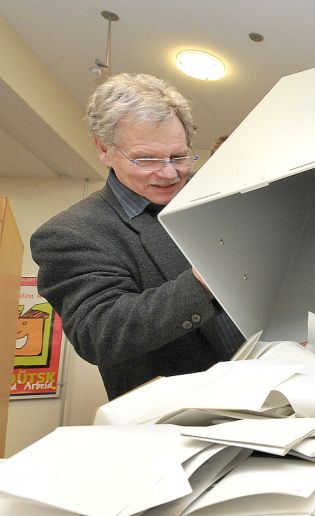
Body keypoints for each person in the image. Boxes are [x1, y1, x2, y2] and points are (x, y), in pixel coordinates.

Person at [31, 73, 244, 400]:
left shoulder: (216, 193)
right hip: (185, 421)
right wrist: (203, 279)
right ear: (104, 149)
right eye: (147, 159)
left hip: (281, 390)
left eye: (179, 156)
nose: (170, 173)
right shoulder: (72, 233)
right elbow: (99, 332)